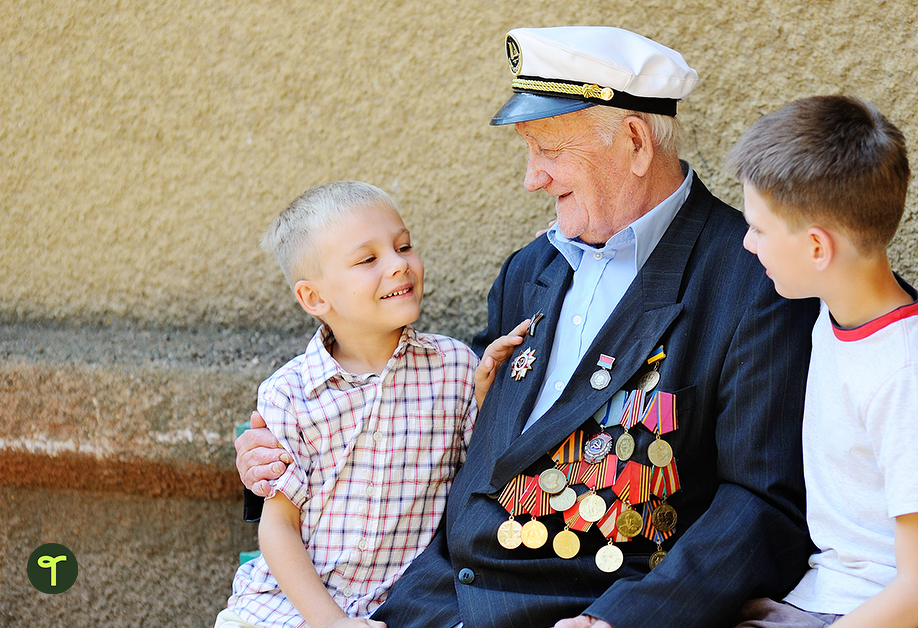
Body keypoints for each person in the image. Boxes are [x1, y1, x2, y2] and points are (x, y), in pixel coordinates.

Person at [237, 27, 819, 628]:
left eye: (550, 149)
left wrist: (628, 620)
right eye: (528, 150)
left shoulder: (754, 281)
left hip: (580, 608)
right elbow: (432, 435)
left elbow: (763, 505)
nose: (532, 178)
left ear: (636, 141)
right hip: (426, 604)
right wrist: (269, 468)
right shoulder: (530, 269)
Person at [727, 96, 918, 628]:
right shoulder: (838, 311)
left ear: (816, 248)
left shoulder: (908, 378)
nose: (747, 242)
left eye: (758, 229)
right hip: (832, 597)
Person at [219, 181, 529, 628]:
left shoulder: (456, 369)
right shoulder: (289, 393)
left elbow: (483, 482)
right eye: (368, 259)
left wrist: (487, 396)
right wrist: (331, 622)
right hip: (291, 606)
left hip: (411, 605)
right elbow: (278, 527)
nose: (398, 264)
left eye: (404, 246)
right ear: (314, 297)